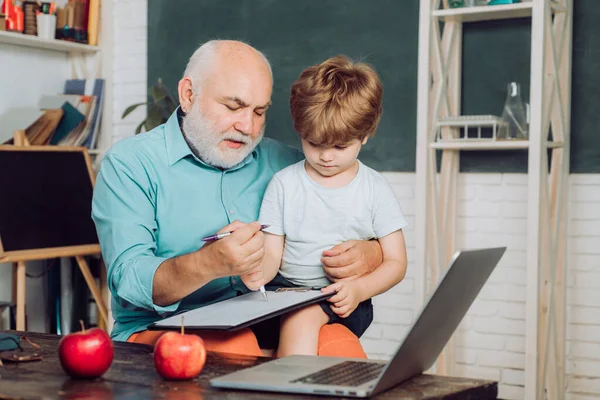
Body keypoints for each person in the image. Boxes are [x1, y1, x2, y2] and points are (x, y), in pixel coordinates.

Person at [91, 40, 384, 357]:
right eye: (233, 107)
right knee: (238, 349)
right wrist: (208, 263)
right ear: (189, 95)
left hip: (267, 322)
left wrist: (371, 252)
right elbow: (128, 281)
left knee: (343, 352)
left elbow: (361, 223)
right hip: (159, 329)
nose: (247, 126)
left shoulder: (286, 164)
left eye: (259, 111)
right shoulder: (130, 164)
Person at [253, 55, 408, 356]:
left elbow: (397, 263)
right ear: (300, 132)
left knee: (302, 317)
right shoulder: (284, 184)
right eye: (313, 144)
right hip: (282, 291)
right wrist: (256, 274)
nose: (325, 157)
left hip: (346, 297)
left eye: (339, 147)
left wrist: (359, 290)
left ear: (364, 135)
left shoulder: (374, 189)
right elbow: (272, 253)